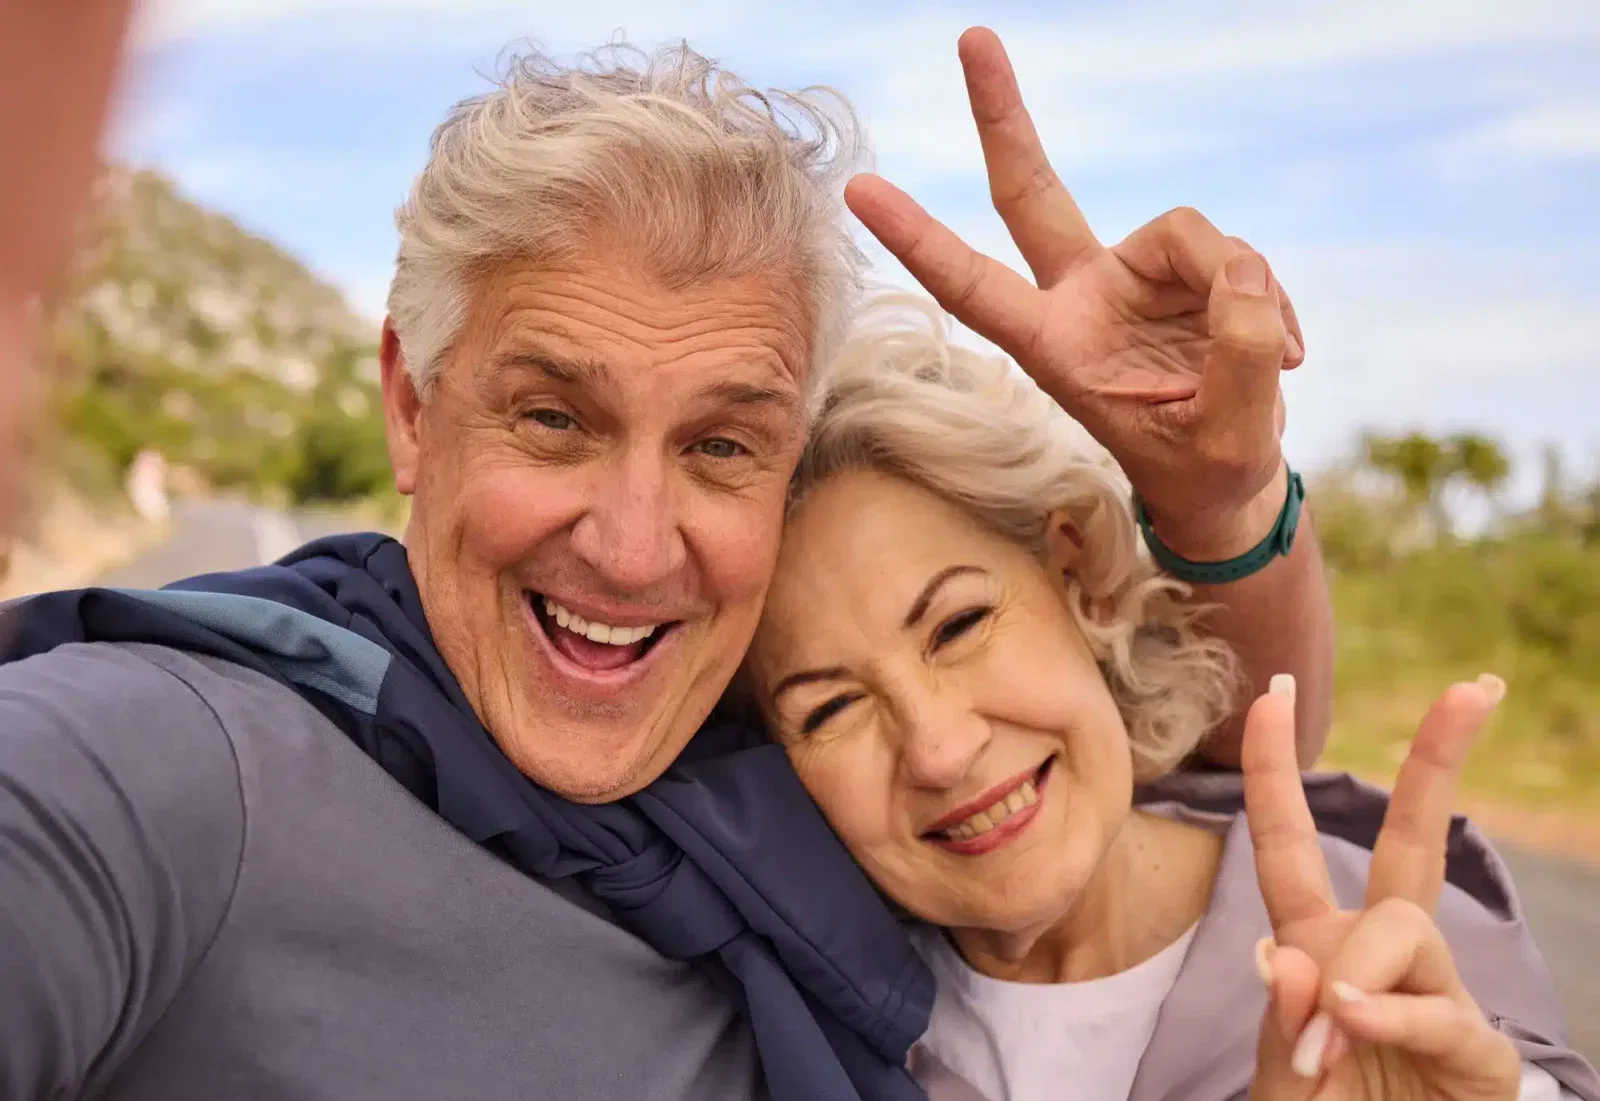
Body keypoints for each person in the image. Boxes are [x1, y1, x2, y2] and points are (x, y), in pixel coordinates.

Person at [1, 29, 1332, 1100]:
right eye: (553, 419)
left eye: (720, 446)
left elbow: (1220, 753)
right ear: (411, 407)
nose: (633, 548)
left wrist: (1217, 499)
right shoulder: (180, 769)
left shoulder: (776, 796)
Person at [743, 296, 1599, 1101]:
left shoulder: (1396, 942)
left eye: (959, 624)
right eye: (829, 710)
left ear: (1078, 576)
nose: (937, 747)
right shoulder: (800, 1036)